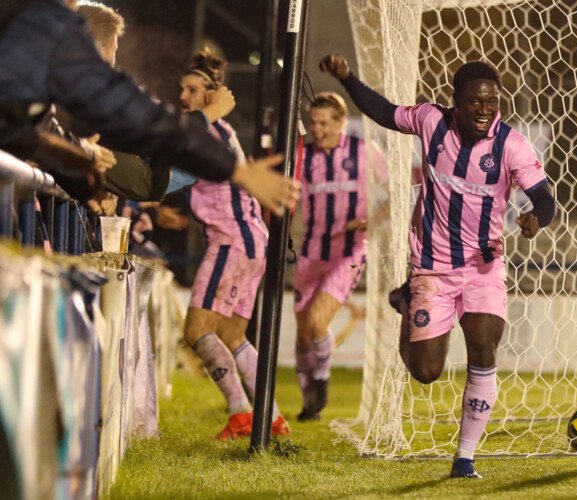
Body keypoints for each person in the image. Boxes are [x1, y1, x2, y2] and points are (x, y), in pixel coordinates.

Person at [319, 53, 556, 478]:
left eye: (491, 102)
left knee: (484, 345)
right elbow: (383, 111)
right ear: (456, 102)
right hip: (432, 267)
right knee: (427, 372)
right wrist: (348, 78)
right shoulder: (431, 121)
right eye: (475, 102)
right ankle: (408, 302)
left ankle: (464, 457)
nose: (485, 110)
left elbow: (545, 197)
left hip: (484, 268)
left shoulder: (512, 144)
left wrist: (535, 218)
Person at [0, 0, 297, 215]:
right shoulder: (43, 22)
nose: (113, 66)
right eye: (110, 56)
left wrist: (69, 158)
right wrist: (233, 168)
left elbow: (16, 125)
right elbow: (131, 113)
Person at [180, 49, 290, 440]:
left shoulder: (204, 132)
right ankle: (272, 417)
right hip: (251, 239)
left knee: (196, 330)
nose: (183, 97)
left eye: (192, 90)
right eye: (182, 89)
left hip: (231, 240)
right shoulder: (224, 130)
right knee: (232, 336)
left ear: (211, 95)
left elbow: (173, 169)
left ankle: (241, 412)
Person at [293, 92, 382, 421]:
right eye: (313, 122)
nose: (317, 129)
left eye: (324, 123)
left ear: (341, 122)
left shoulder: (363, 152)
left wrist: (373, 221)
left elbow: (396, 190)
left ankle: (322, 378)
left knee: (318, 322)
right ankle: (309, 404)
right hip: (311, 252)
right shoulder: (305, 156)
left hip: (350, 251)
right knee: (303, 332)